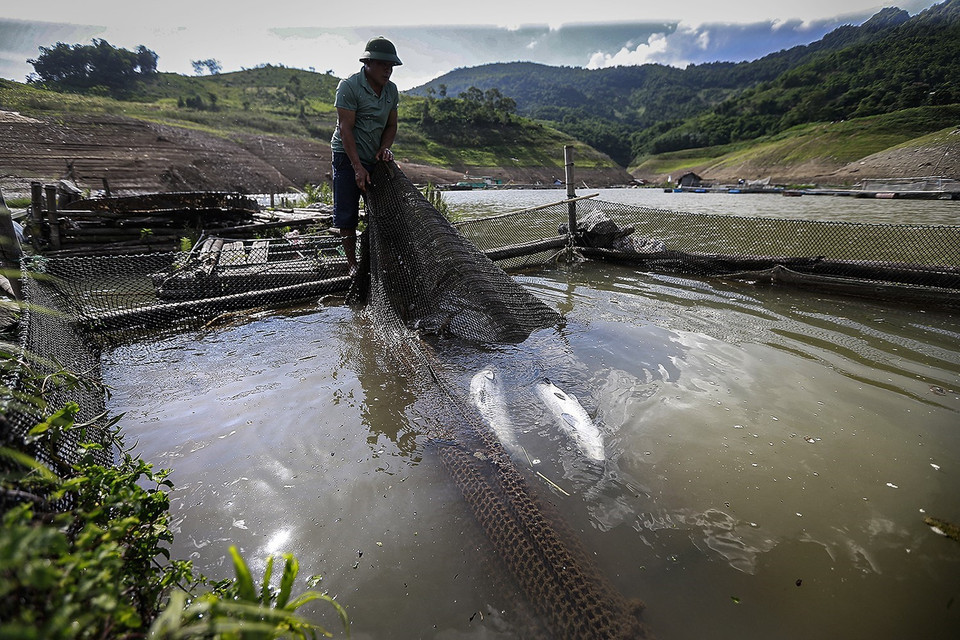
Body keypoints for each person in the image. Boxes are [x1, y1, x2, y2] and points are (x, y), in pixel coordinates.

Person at [330, 36, 402, 276]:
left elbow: (391, 125)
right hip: (346, 155)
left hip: (373, 157)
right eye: (383, 64)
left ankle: (378, 260)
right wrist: (357, 167)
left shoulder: (391, 91)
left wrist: (385, 147)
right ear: (367, 63)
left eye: (391, 66)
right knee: (347, 213)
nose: (388, 70)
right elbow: (345, 128)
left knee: (381, 210)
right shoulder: (349, 86)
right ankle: (352, 265)